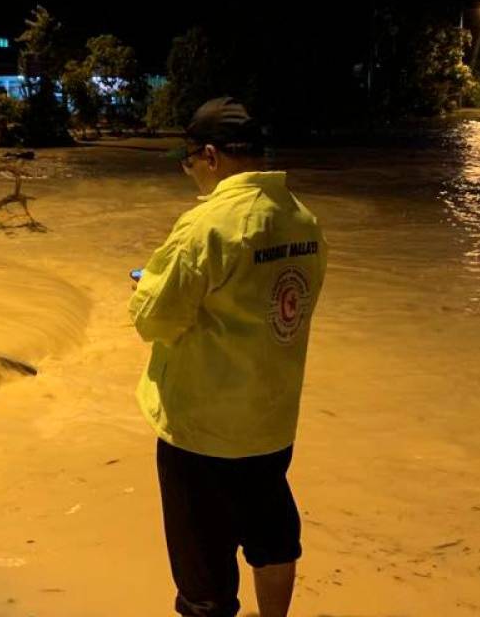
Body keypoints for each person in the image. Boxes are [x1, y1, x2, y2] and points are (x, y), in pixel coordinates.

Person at [129, 96, 325, 617]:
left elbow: (155, 320)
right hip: (271, 421)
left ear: (211, 156)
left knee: (204, 584)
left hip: (202, 430)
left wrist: (145, 287)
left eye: (189, 162)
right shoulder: (302, 220)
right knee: (273, 537)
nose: (191, 173)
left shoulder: (207, 225)